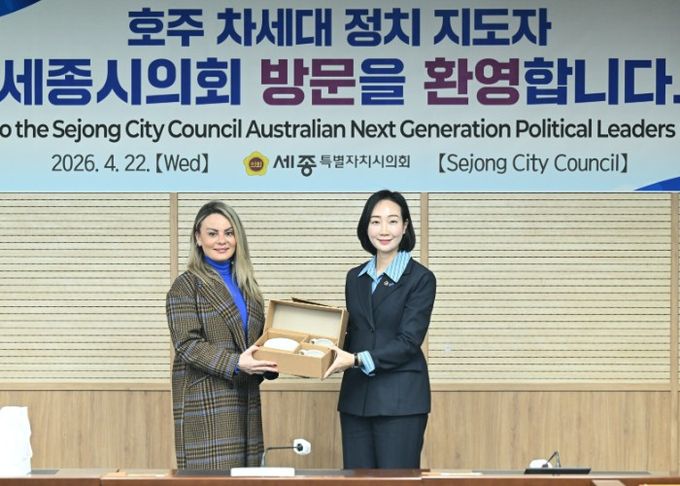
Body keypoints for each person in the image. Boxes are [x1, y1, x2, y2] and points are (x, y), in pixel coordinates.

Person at [324, 189, 436, 469]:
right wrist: (313, 351)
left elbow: (409, 341)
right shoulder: (355, 277)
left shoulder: (421, 279)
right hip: (356, 399)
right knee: (356, 480)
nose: (384, 230)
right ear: (366, 227)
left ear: (405, 226)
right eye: (375, 221)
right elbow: (354, 334)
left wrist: (356, 359)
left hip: (401, 401)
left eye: (392, 221)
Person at [166, 200, 278, 470]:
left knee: (247, 477)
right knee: (216, 479)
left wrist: (275, 359)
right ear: (198, 238)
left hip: (246, 400)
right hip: (208, 403)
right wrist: (236, 363)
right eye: (212, 233)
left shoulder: (249, 288)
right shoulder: (186, 285)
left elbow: (257, 344)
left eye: (229, 233)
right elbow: (187, 344)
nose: (221, 241)